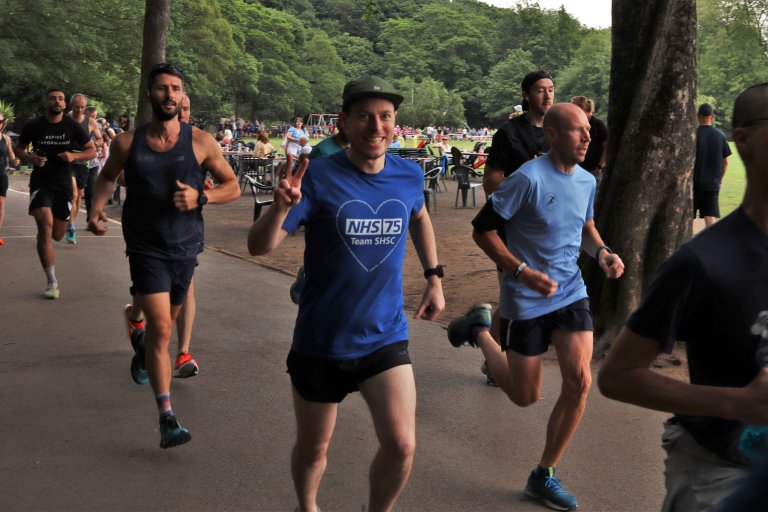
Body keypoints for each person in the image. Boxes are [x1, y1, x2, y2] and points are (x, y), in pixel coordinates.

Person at [247, 75, 445, 512]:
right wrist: (281, 207)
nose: (376, 126)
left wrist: (434, 276)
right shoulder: (316, 176)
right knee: (315, 448)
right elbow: (259, 247)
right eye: (365, 117)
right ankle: (308, 506)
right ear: (344, 123)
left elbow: (419, 216)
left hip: (384, 335)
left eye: (386, 117)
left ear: (396, 123)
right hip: (321, 340)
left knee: (402, 445)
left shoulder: (408, 175)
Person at [597, 84, 768, 511]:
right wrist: (738, 402)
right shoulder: (702, 263)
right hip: (719, 474)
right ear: (742, 139)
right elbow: (617, 375)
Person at [447, 103, 625, 511]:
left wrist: (602, 254)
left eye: (588, 131)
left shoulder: (586, 180)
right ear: (553, 136)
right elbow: (483, 231)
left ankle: (544, 473)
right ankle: (479, 330)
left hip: (570, 292)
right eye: (578, 131)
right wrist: (520, 270)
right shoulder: (527, 179)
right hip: (525, 298)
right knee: (525, 395)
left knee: (580, 382)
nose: (587, 138)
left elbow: (585, 227)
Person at [88, 64, 240, 448]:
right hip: (145, 245)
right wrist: (95, 209)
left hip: (185, 246)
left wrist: (201, 197)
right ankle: (166, 417)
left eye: (175, 89)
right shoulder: (127, 143)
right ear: (148, 94)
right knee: (162, 330)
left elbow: (233, 186)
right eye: (162, 89)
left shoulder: (201, 141)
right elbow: (107, 176)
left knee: (163, 326)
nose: (169, 95)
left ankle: (139, 344)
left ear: (181, 94)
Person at [122, 94, 209, 379]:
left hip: (184, 233)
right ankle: (136, 320)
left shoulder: (196, 140)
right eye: (179, 108)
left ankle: (181, 352)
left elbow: (214, 179)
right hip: (147, 235)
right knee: (149, 291)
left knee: (185, 289)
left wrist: (202, 189)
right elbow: (121, 175)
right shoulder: (144, 140)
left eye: (186, 109)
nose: (182, 113)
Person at [478, 69, 555, 386]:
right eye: (540, 90)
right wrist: (527, 180)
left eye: (551, 89)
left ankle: (486, 341)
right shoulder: (508, 134)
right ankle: (498, 358)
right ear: (526, 95)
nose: (547, 95)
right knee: (516, 295)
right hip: (511, 228)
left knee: (517, 296)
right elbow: (490, 184)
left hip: (546, 228)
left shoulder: (557, 132)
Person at [15, 88, 97, 299]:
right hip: (41, 183)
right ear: (46, 103)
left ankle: (48, 242)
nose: (57, 102)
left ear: (64, 105)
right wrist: (31, 158)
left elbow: (92, 150)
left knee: (57, 234)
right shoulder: (34, 125)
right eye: (53, 98)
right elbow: (19, 149)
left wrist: (72, 155)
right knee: (45, 224)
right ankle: (52, 281)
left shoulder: (71, 126)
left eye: (60, 99)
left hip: (63, 185)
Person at [65, 93, 103, 244]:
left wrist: (94, 145)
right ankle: (70, 225)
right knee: (74, 193)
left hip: (83, 160)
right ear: (71, 106)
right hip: (66, 159)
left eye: (82, 107)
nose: (79, 110)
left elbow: (100, 139)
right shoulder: (64, 119)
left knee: (79, 194)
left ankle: (70, 223)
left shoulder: (90, 122)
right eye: (76, 107)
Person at [693, 102, 731, 227]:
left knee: (688, 215)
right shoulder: (720, 136)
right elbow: (725, 162)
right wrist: (720, 179)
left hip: (693, 184)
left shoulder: (692, 135)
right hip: (712, 184)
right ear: (712, 117)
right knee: (710, 216)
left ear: (698, 116)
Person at [570, 96, 608, 188]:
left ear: (581, 107)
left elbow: (607, 147)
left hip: (594, 172)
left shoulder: (598, 124)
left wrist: (599, 166)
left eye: (573, 108)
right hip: (579, 171)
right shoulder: (577, 124)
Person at [0, 112, 21, 246]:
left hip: (1, 174)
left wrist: (15, 161)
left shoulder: (6, 139)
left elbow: (11, 155)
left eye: (0, 121)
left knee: (1, 204)